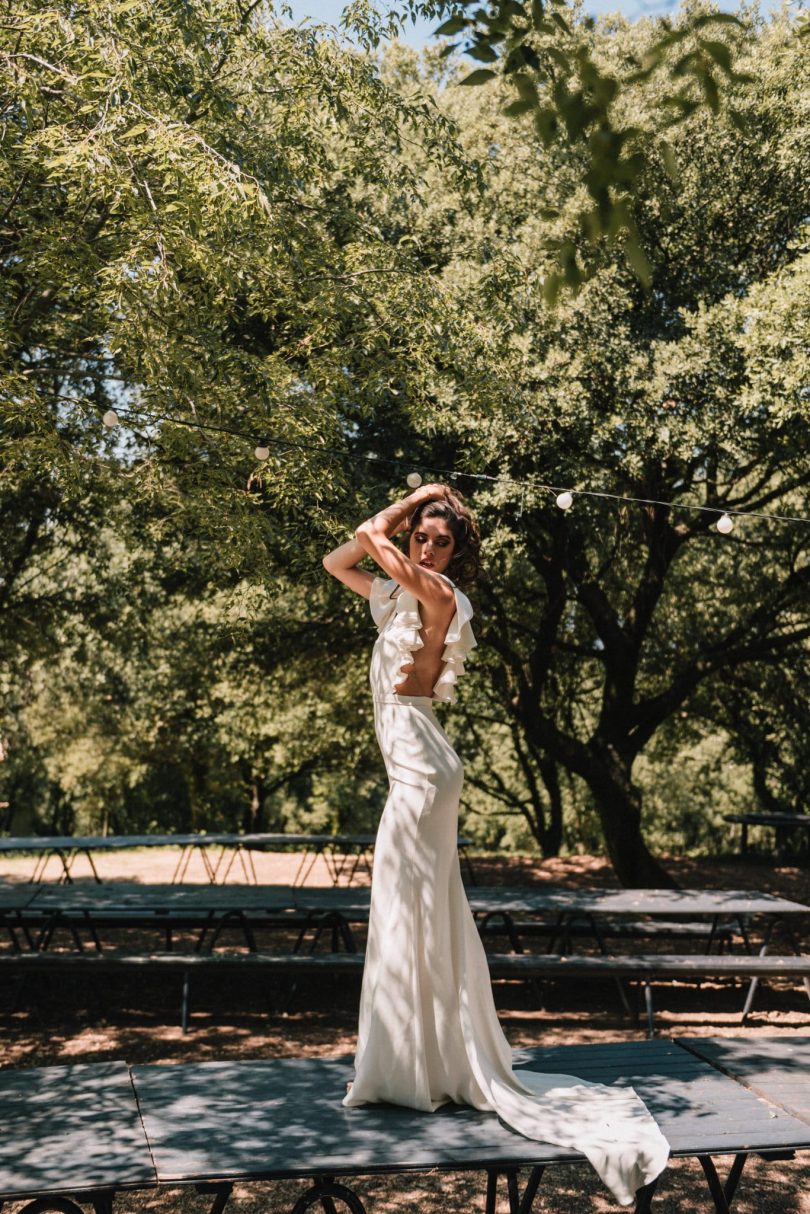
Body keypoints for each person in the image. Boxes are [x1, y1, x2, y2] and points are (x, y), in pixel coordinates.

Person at [322, 482, 669, 1207]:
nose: (424, 546)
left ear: (457, 552)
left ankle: (416, 1071)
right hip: (417, 767)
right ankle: (416, 1067)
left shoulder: (438, 595)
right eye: (420, 536)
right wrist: (411, 512)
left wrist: (413, 496)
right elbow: (337, 560)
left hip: (421, 771)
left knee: (406, 913)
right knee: (410, 914)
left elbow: (365, 533)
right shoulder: (395, 597)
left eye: (439, 540)